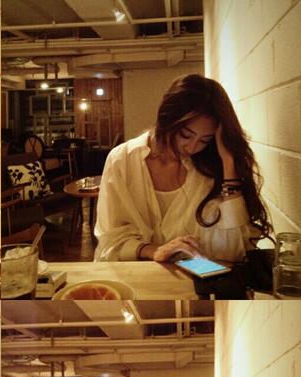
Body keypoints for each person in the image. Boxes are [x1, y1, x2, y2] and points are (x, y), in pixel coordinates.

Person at [94, 74, 272, 262]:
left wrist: (229, 164)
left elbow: (232, 251)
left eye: (205, 140)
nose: (193, 147)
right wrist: (154, 251)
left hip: (193, 278)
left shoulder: (210, 170)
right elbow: (110, 241)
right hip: (133, 275)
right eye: (186, 135)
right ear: (167, 119)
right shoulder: (122, 159)